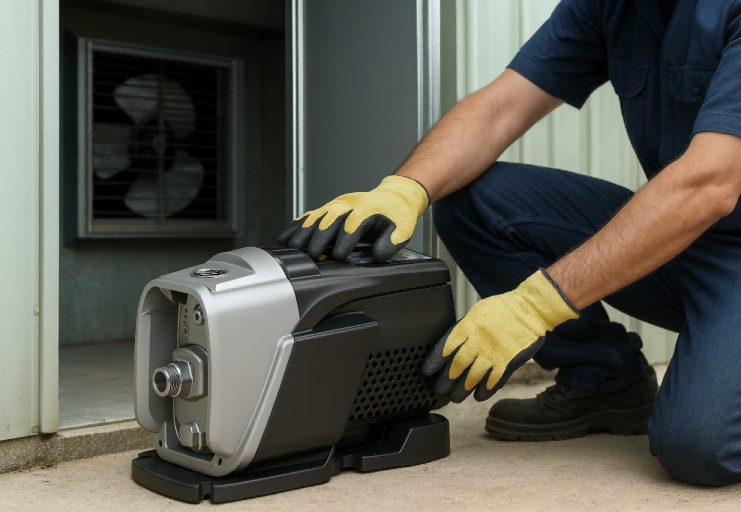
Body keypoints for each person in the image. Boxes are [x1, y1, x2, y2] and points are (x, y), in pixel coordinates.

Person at [277, 0, 741, 487]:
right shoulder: (607, 7)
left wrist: (534, 306)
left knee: (698, 446)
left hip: (712, 219)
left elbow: (708, 183)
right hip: (682, 239)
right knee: (472, 198)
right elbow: (501, 106)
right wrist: (404, 189)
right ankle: (605, 380)